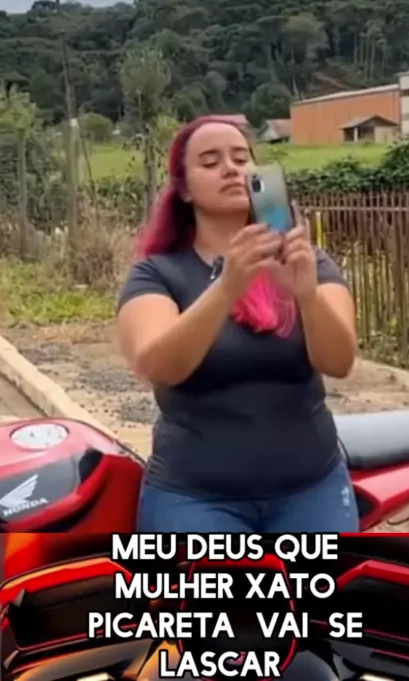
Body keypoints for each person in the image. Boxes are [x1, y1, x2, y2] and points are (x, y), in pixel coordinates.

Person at [117, 115, 359, 533]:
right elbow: (159, 366)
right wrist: (228, 286)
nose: (231, 169)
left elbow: (339, 362)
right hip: (194, 497)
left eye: (241, 158)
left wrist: (307, 294)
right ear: (184, 189)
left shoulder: (308, 263)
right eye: (210, 162)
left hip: (311, 489)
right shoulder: (156, 274)